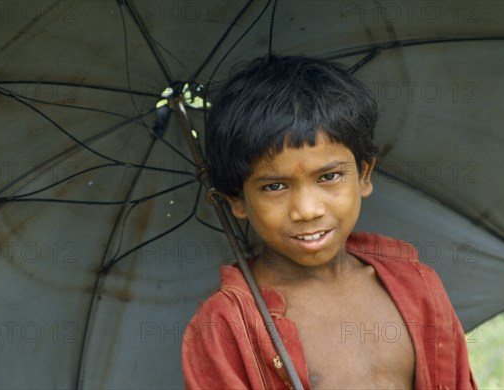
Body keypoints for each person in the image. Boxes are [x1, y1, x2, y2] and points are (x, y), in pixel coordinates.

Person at [182, 55, 477, 389]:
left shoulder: (417, 285)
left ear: (364, 175)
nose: (307, 210)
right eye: (274, 186)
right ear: (236, 199)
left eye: (329, 176)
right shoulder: (226, 328)